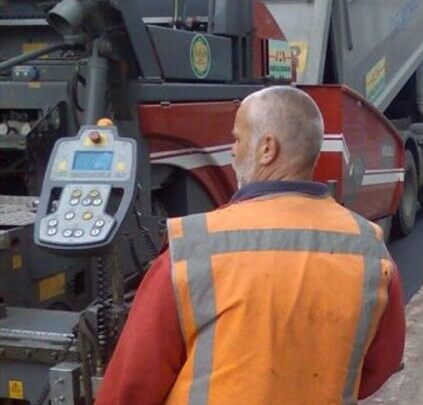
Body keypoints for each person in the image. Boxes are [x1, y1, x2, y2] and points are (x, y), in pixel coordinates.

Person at [97, 86, 406, 404]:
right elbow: (380, 364)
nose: (232, 150)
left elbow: (129, 387)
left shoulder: (193, 251)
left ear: (267, 148)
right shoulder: (369, 250)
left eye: (237, 138)